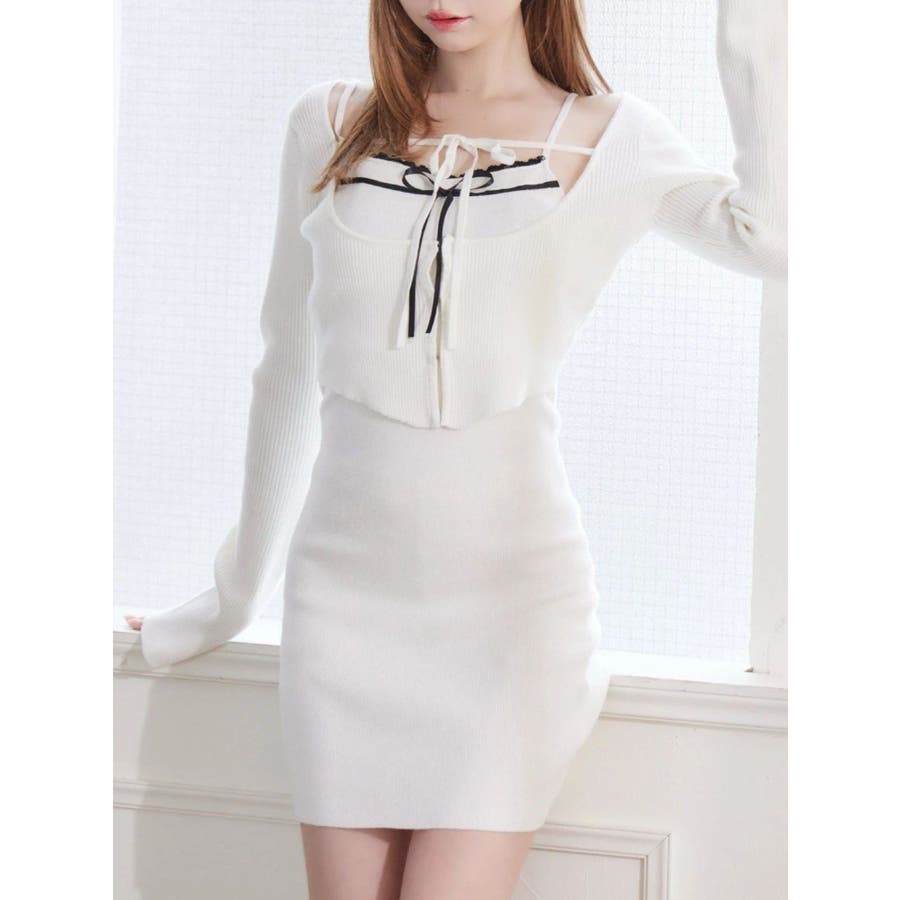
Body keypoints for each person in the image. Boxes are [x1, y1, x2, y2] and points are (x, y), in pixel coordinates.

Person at [125, 1, 786, 897]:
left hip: (511, 613)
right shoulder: (329, 123)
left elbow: (773, 240)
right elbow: (285, 368)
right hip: (344, 607)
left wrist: (754, 27)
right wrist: (230, 598)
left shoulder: (612, 137)